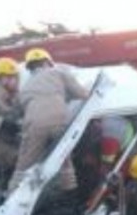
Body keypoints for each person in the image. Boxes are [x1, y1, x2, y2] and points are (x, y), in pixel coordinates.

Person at [7, 48, 89, 192]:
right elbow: (82, 93)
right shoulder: (59, 73)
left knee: (24, 164)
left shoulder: (25, 87)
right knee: (64, 158)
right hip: (59, 122)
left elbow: (17, 113)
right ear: (47, 62)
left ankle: (12, 194)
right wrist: (65, 97)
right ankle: (69, 192)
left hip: (34, 126)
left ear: (30, 68)